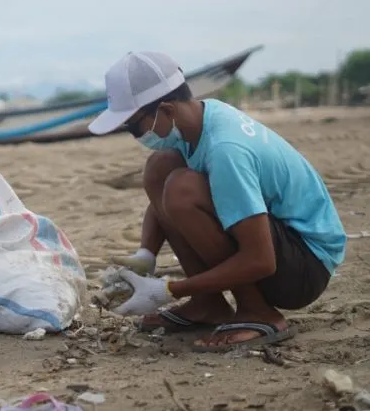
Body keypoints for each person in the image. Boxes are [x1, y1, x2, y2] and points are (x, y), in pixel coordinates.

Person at [87, 51, 346, 352]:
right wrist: (147, 253)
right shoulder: (198, 121)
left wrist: (169, 290)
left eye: (134, 127)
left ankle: (259, 312)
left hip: (306, 266)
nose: (135, 135)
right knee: (161, 168)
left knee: (181, 190)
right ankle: (207, 304)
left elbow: (261, 259)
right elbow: (161, 203)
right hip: (282, 246)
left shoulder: (226, 150)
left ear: (166, 110)